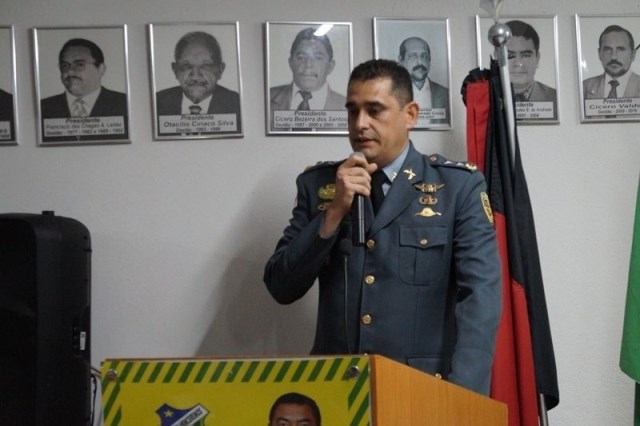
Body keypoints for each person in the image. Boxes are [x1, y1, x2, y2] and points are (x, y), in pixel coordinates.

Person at [264, 59, 501, 396]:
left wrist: (463, 398)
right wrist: (333, 213)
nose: (360, 124)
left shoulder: (457, 187)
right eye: (353, 111)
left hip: (422, 390)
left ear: (410, 114)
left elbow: (480, 297)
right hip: (336, 391)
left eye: (375, 110)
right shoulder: (319, 186)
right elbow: (281, 286)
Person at [40, 38, 128, 141]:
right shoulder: (43, 107)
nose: (70, 72)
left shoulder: (124, 104)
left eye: (79, 65)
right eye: (65, 66)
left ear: (101, 69)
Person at [156, 31, 241, 133]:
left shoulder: (238, 105)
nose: (195, 76)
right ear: (175, 70)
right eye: (187, 65)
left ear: (220, 70)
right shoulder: (156, 103)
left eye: (205, 65)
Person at [270, 27, 346, 113]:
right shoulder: (267, 97)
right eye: (301, 57)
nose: (308, 65)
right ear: (290, 63)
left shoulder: (346, 106)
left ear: (330, 66)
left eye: (318, 58)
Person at [397, 36, 449, 124]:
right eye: (413, 56)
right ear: (400, 60)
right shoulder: (390, 93)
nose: (420, 62)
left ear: (429, 60)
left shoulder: (445, 94)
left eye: (424, 56)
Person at [505, 20, 557, 103]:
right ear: (496, 57)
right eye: (509, 55)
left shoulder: (557, 98)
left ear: (537, 58)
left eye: (526, 55)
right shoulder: (483, 96)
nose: (518, 63)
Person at [583, 24, 640, 99]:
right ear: (599, 53)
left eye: (620, 49)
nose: (613, 57)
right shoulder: (584, 87)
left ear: (633, 54)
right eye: (607, 49)